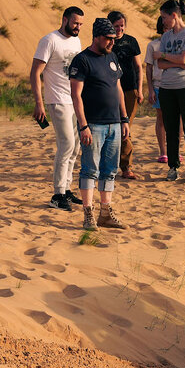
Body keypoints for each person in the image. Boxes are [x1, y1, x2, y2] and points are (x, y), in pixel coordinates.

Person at [69, 18, 129, 230]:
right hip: (93, 124)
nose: (112, 42)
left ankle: (106, 211)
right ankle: (88, 214)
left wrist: (124, 118)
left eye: (114, 39)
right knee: (89, 170)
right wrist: (83, 125)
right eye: (108, 39)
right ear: (96, 37)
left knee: (110, 170)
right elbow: (76, 95)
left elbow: (119, 89)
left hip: (114, 122)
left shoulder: (112, 57)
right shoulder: (82, 60)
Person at [31, 6, 85, 211]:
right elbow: (35, 72)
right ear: (64, 20)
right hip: (57, 99)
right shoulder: (49, 40)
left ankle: (67, 188)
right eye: (75, 23)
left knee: (76, 147)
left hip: (75, 99)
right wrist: (39, 103)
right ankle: (57, 193)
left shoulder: (76, 41)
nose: (78, 27)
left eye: (80, 24)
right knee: (66, 145)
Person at [155, 0, 185, 182]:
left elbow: (183, 58)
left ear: (174, 15)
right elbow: (159, 63)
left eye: (164, 17)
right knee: (171, 130)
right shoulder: (166, 37)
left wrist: (167, 56)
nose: (163, 21)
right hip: (166, 88)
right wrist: (178, 61)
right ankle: (173, 167)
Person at [107, 11, 143, 180]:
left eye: (122, 25)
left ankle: (126, 167)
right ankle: (108, 164)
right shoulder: (106, 42)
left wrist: (140, 90)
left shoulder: (131, 41)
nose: (119, 29)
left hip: (130, 90)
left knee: (125, 127)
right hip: (110, 90)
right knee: (110, 128)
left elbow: (138, 67)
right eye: (116, 26)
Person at [144, 16, 168, 163]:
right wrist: (150, 89)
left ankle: (175, 150)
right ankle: (163, 151)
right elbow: (148, 67)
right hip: (158, 85)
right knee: (161, 118)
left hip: (174, 84)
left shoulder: (177, 43)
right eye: (165, 28)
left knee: (176, 119)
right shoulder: (153, 45)